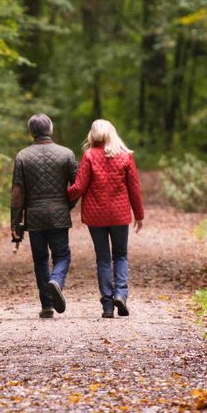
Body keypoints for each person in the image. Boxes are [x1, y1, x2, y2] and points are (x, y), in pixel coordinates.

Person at [67, 119, 144, 319]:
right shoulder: (125, 155)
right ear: (112, 133)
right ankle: (121, 294)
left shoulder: (89, 155)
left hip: (95, 216)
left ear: (92, 134)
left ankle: (108, 306)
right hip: (119, 215)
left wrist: (59, 195)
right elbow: (134, 188)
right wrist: (139, 215)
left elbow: (79, 187)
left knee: (103, 259)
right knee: (120, 256)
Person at [10, 113, 79, 318]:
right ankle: (56, 280)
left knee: (40, 259)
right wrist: (67, 205)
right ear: (50, 129)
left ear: (31, 132)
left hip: (35, 217)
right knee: (62, 255)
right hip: (59, 214)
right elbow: (77, 186)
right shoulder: (66, 154)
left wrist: (15, 223)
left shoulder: (22, 156)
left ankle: (47, 306)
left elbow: (17, 193)